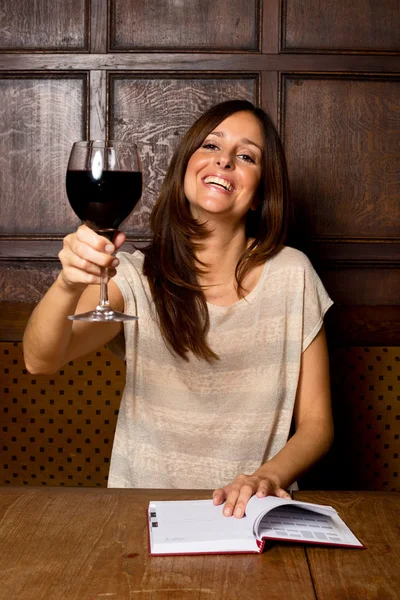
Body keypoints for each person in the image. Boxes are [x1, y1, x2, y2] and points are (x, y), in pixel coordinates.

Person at [23, 99, 334, 519]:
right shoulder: (134, 276)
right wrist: (68, 283)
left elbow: (317, 425)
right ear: (185, 168)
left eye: (245, 156)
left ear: (260, 194)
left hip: (250, 516)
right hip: (142, 515)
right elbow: (39, 360)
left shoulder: (293, 274)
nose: (224, 161)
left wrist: (266, 477)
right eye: (210, 146)